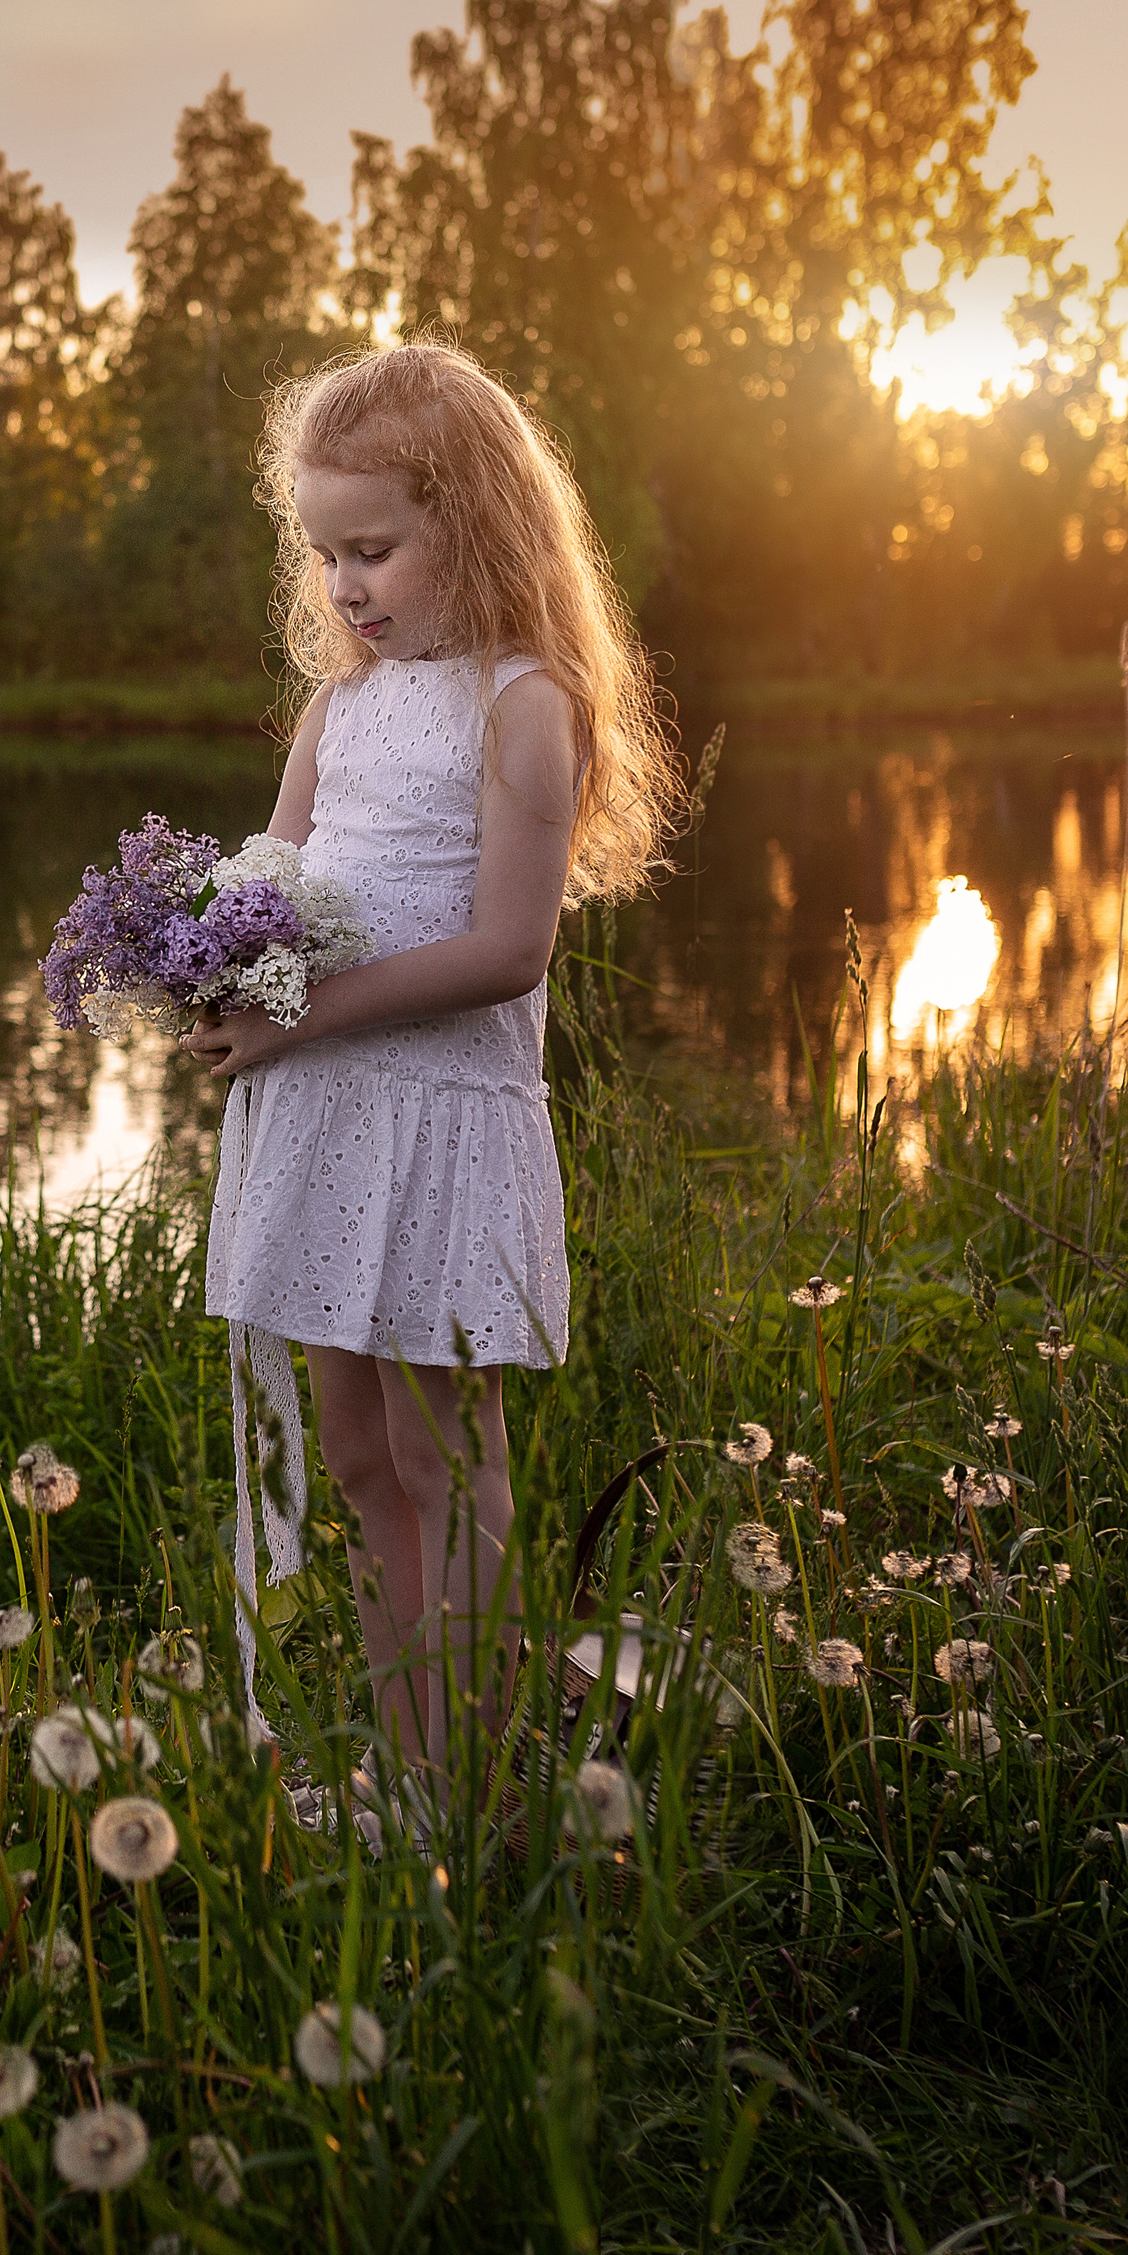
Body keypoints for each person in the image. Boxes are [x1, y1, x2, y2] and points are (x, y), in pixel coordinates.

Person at [183, 339, 678, 1818]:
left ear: (477, 524)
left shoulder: (524, 703)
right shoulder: (339, 712)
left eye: (376, 549)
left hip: (441, 1121)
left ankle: (456, 1783)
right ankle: (413, 1761)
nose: (346, 587)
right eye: (326, 554)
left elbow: (508, 952)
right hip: (328, 1119)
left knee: (443, 1453)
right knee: (355, 1449)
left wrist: (301, 1014)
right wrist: (209, 969)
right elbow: (274, 877)